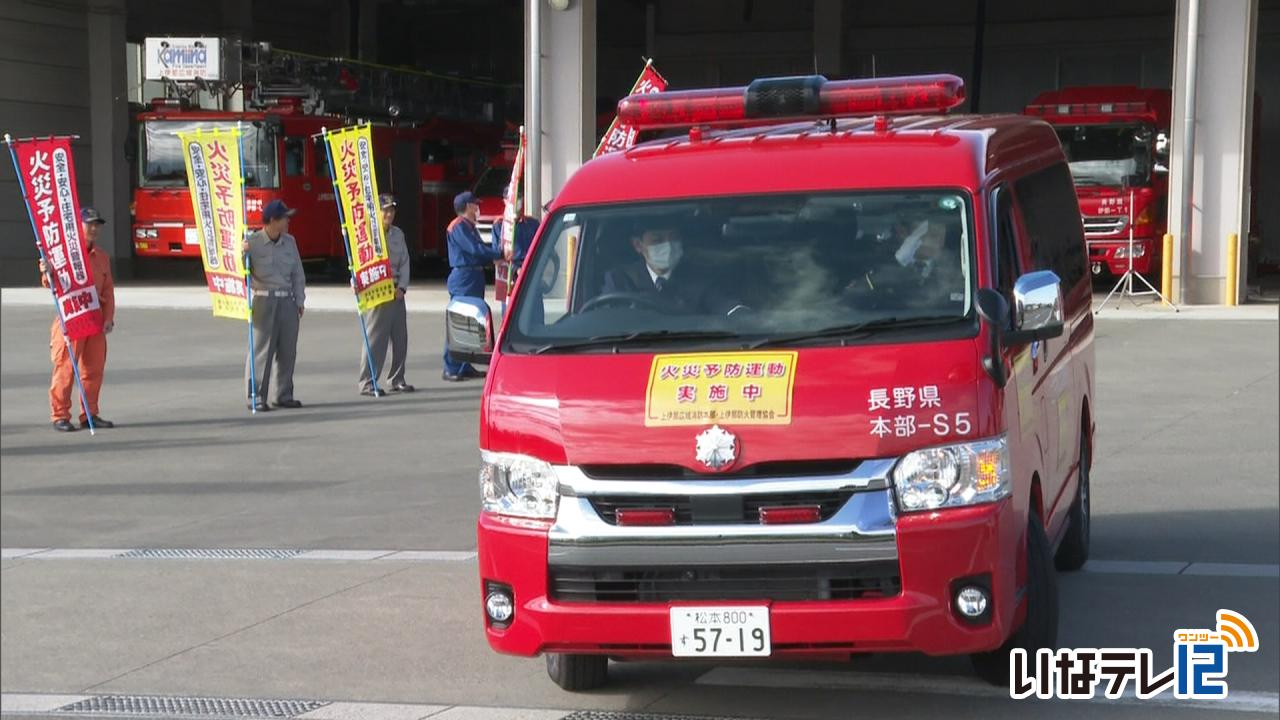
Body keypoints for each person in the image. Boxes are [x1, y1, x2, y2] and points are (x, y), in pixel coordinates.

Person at [42, 207, 115, 432]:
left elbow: (109, 290)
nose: (94, 228)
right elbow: (49, 282)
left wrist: (109, 318)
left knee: (93, 370)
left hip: (94, 320)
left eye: (97, 225)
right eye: (89, 224)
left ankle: (89, 414)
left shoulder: (102, 257)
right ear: (77, 227)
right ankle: (60, 415)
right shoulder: (62, 254)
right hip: (70, 318)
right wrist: (47, 270)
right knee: (65, 367)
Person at [600, 221, 748, 317]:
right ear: (638, 245)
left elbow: (725, 305)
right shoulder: (619, 279)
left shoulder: (701, 276)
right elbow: (609, 322)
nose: (668, 246)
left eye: (673, 238)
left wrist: (742, 316)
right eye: (657, 240)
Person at [245, 199, 306, 411]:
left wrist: (300, 300)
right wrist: (241, 252)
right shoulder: (251, 242)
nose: (288, 221)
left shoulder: (290, 242)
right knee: (262, 351)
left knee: (287, 350)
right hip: (264, 299)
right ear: (272, 220)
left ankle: (283, 394)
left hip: (287, 300)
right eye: (284, 218)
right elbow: (236, 271)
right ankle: (256, 396)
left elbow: (298, 273)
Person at [443, 191, 506, 382]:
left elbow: (478, 249)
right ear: (468, 206)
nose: (478, 208)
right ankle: (451, 367)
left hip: (473, 275)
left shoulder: (469, 226)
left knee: (470, 322)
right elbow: (475, 249)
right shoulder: (459, 226)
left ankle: (464, 364)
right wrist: (498, 253)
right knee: (459, 319)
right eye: (475, 205)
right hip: (464, 276)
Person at [358, 194, 414, 396]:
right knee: (375, 340)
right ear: (376, 212)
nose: (389, 213)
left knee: (400, 339)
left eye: (391, 210)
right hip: (377, 292)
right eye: (385, 210)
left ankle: (397, 379)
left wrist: (403, 287)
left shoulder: (398, 234)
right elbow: (360, 263)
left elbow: (405, 262)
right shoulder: (367, 235)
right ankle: (367, 382)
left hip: (397, 292)